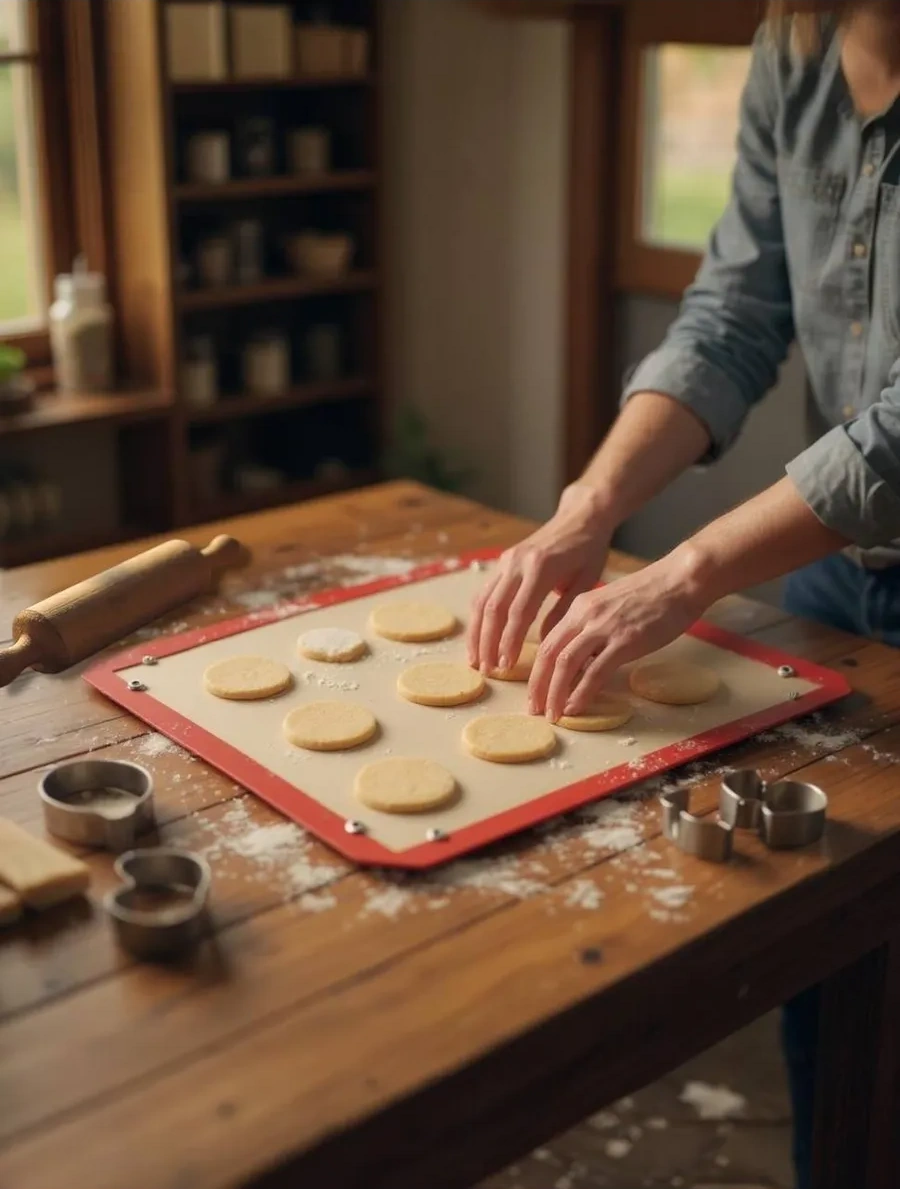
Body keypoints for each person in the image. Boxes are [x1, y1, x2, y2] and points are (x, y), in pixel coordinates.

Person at [467, 1, 900, 1186]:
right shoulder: (798, 44)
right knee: (835, 943)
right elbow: (735, 310)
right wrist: (589, 507)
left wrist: (685, 570)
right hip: (844, 569)